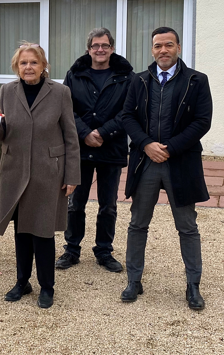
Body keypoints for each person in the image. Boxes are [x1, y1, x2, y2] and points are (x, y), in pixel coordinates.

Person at [120, 27, 212, 310]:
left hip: (180, 164)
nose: (163, 50)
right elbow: (127, 116)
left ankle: (193, 285)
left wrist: (170, 148)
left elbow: (202, 121)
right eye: (158, 46)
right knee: (137, 224)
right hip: (146, 163)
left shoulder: (197, 81)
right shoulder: (139, 80)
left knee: (187, 226)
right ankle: (134, 280)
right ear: (152, 50)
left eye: (169, 45)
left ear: (179, 48)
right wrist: (147, 144)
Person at [0, 42, 80, 308]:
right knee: (21, 231)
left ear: (43, 66)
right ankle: (23, 281)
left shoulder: (60, 92)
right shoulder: (7, 91)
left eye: (33, 62)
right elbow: (0, 136)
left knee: (42, 232)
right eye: (23, 63)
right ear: (16, 67)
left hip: (47, 172)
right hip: (15, 171)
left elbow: (70, 136)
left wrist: (72, 175)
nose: (28, 67)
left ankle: (47, 286)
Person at [55, 28, 133, 273]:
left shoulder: (126, 76)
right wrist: (85, 133)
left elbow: (128, 112)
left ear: (112, 48)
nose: (100, 49)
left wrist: (102, 132)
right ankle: (72, 249)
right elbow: (66, 109)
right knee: (75, 203)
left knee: (108, 204)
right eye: (96, 45)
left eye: (105, 45)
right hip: (80, 149)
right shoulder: (75, 74)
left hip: (111, 148)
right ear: (88, 49)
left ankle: (103, 250)